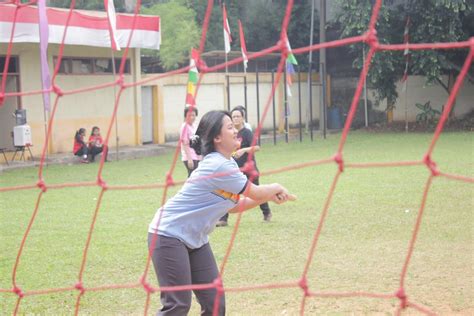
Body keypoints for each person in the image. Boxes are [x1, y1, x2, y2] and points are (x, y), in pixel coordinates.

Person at [148, 110, 294, 316]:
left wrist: (268, 197)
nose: (236, 130)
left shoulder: (227, 164)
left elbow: (233, 206)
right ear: (217, 137)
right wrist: (275, 187)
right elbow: (256, 191)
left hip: (195, 239)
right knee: (178, 305)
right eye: (230, 127)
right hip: (168, 234)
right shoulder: (218, 165)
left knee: (214, 303)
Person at [216, 107, 272, 227]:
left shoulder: (247, 133)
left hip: (249, 169)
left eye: (238, 116)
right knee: (227, 192)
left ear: (243, 118)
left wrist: (244, 150)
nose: (235, 119)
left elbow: (257, 147)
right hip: (234, 170)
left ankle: (267, 212)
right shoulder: (229, 133)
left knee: (257, 192)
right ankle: (223, 219)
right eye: (233, 117)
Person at [180, 105, 202, 177]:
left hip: (197, 156)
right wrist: (189, 159)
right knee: (193, 176)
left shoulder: (194, 126)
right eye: (189, 115)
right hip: (190, 157)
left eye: (193, 115)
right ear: (185, 116)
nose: (192, 117)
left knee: (196, 176)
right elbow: (185, 144)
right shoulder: (185, 127)